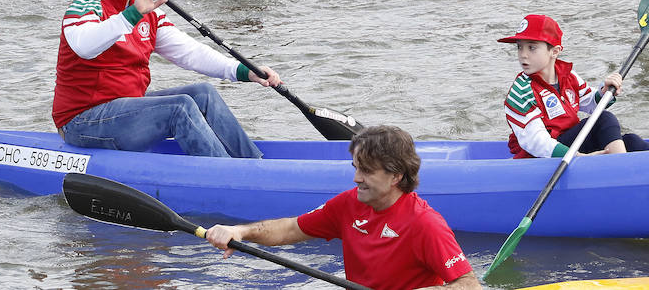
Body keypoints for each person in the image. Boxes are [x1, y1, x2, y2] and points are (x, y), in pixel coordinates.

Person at [53, 0, 281, 156]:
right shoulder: (87, 5)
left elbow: (189, 52)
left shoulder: (146, 10)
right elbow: (84, 47)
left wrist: (244, 71)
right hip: (81, 121)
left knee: (203, 94)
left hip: (124, 109)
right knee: (178, 107)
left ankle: (254, 164)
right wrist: (134, 14)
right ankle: (229, 178)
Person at [204, 125, 482, 290]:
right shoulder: (348, 204)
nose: (356, 178)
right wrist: (239, 231)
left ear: (396, 176)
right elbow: (289, 229)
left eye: (367, 171)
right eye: (356, 168)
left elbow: (469, 285)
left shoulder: (425, 224)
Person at [499, 13, 649, 159]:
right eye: (519, 47)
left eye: (531, 47)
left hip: (572, 146)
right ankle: (622, 171)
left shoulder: (568, 76)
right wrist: (579, 158)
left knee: (631, 142)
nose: (523, 55)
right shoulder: (520, 92)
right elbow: (537, 143)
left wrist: (605, 91)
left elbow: (590, 103)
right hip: (543, 158)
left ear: (555, 51)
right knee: (603, 119)